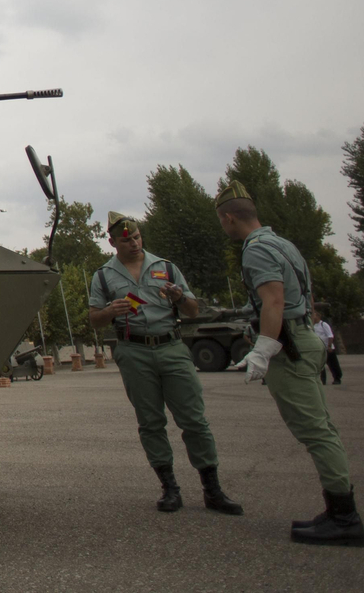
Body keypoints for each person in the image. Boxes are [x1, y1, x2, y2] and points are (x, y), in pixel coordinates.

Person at [218, 180, 364, 547]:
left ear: (229, 218)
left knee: (316, 433)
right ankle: (337, 510)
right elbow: (300, 298)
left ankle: (345, 518)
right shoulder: (282, 244)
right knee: (322, 428)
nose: (223, 226)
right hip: (305, 337)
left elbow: (274, 300)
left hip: (291, 346)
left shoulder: (255, 250)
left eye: (222, 221)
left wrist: (263, 349)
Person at [88, 211, 243, 515]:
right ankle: (169, 488)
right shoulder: (103, 276)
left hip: (171, 347)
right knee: (150, 422)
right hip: (134, 352)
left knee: (194, 420)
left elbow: (193, 310)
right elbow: (94, 319)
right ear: (112, 242)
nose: (134, 243)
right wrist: (109, 312)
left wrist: (179, 298)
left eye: (137, 237)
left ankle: (213, 490)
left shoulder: (166, 268)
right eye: (126, 240)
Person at [312, 305, 344, 386]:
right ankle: (322, 380)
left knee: (333, 364)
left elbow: (330, 336)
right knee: (320, 365)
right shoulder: (313, 326)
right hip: (319, 349)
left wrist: (329, 346)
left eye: (314, 314)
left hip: (328, 348)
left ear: (318, 316)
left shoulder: (324, 324)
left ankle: (337, 378)